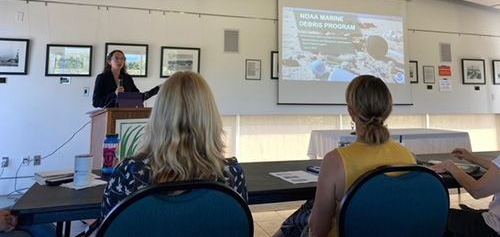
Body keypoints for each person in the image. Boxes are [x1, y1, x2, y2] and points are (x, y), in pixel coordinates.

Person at [275, 75, 416, 237]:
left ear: (351, 111)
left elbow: (318, 230)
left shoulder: (335, 162)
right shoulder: (407, 156)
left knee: (296, 222)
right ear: (388, 110)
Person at [101, 70, 247, 217]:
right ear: (210, 116)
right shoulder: (232, 174)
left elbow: (108, 227)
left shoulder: (129, 173)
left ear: (158, 115)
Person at [432, 148, 500, 236]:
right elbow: (496, 170)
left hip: (494, 228)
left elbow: (477, 191)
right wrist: (472, 158)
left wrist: (449, 166)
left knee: (436, 216)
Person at [92, 50, 158, 108]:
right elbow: (96, 102)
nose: (119, 61)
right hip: (109, 116)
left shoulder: (127, 78)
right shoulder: (102, 77)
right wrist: (114, 94)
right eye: (116, 58)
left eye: (122, 59)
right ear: (109, 61)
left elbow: (137, 97)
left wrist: (157, 89)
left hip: (126, 115)